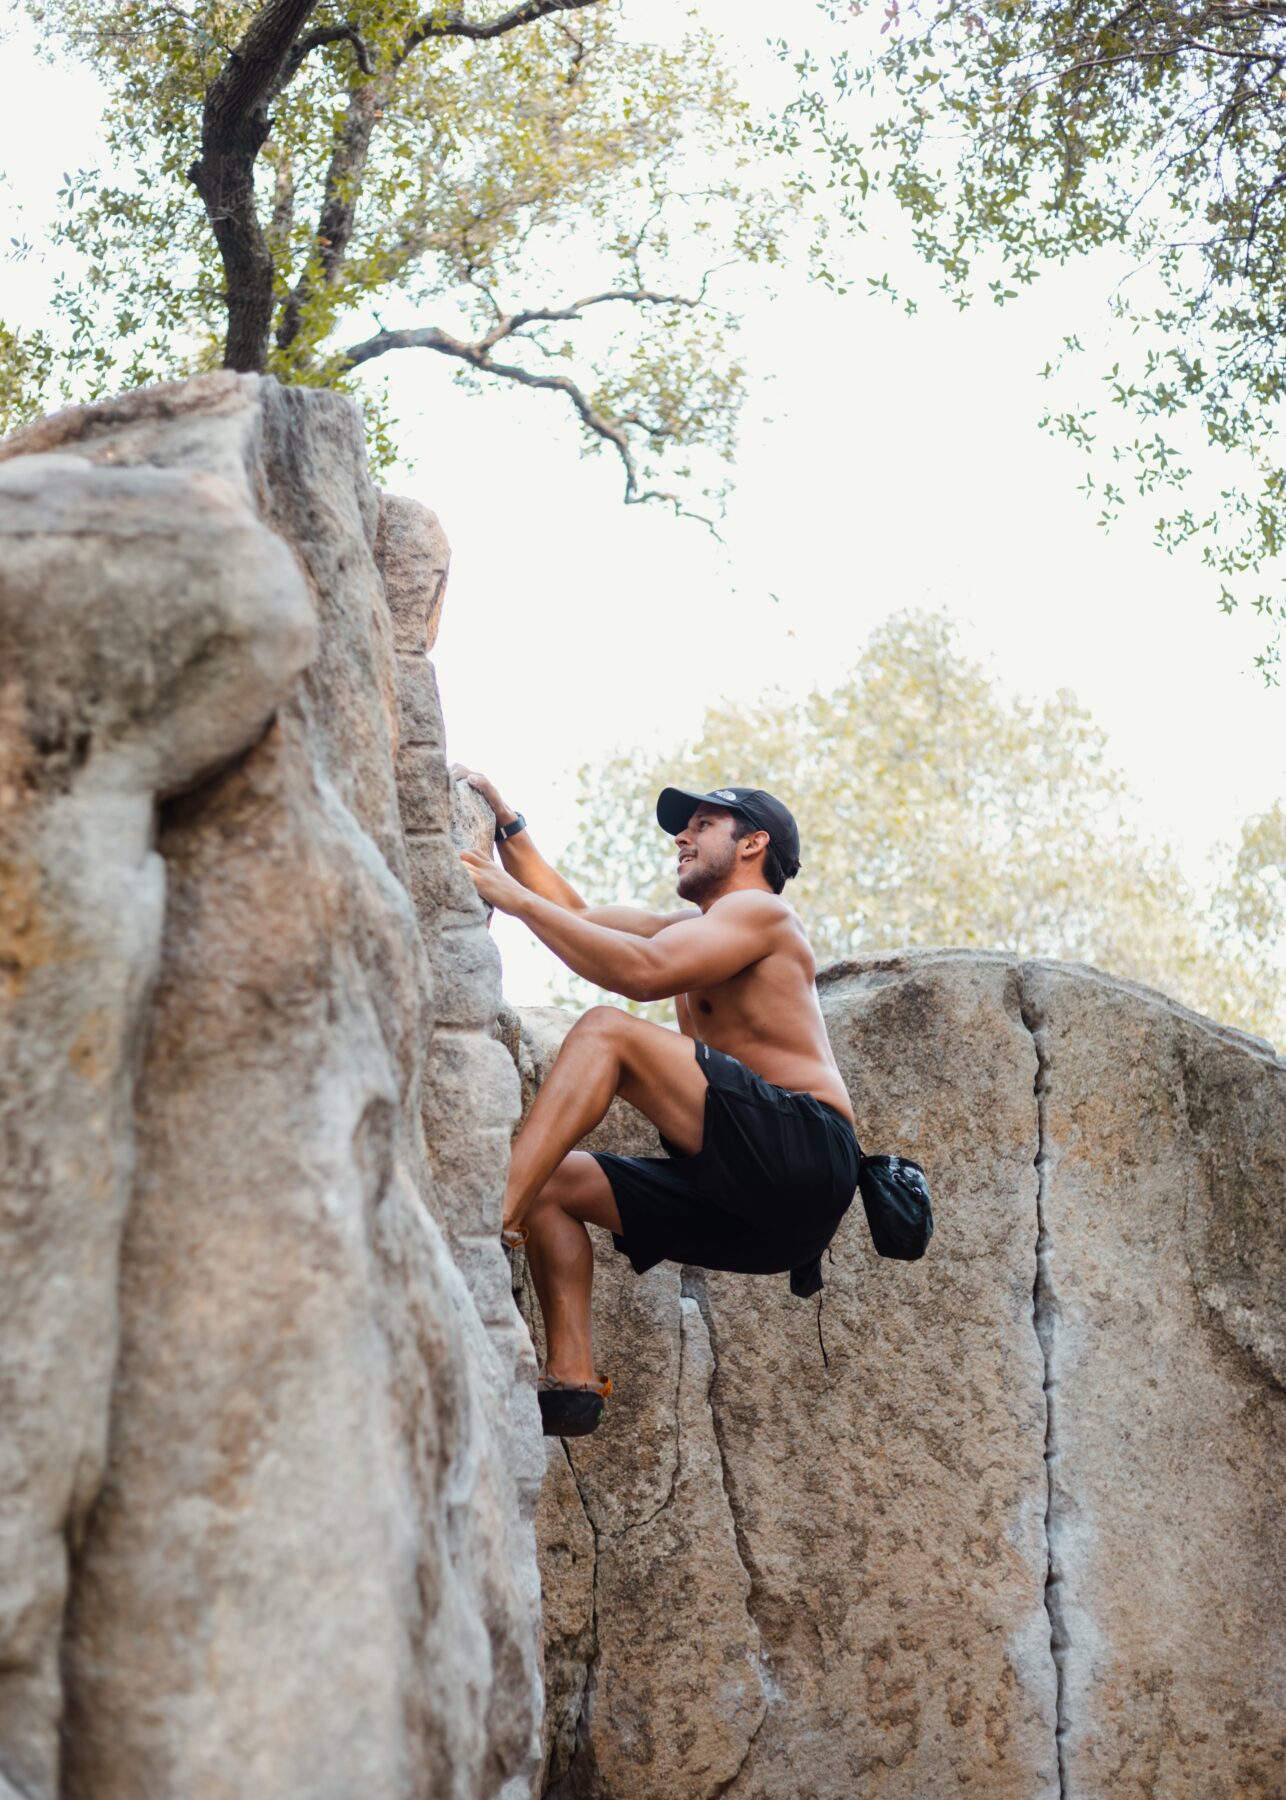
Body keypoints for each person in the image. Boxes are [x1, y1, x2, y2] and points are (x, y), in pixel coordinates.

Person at [453, 765, 860, 1438]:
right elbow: (581, 918)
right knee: (554, 1182)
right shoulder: (691, 927)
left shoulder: (760, 913)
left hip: (803, 1151)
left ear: (752, 844)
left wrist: (513, 901)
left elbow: (640, 975)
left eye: (702, 825)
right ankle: (572, 1383)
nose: (682, 837)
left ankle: (486, 1221)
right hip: (759, 1215)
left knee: (606, 1031)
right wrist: (508, 827)